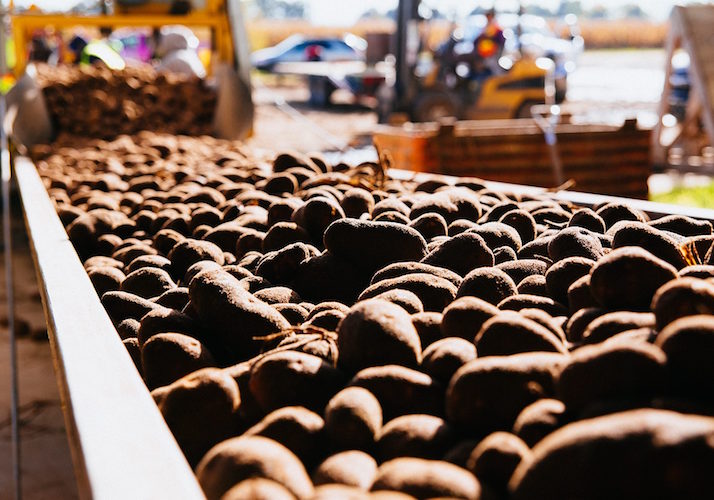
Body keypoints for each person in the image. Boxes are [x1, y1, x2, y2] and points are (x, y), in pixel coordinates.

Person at [473, 8, 505, 78]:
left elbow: (500, 40)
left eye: (489, 16)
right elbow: (477, 40)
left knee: (493, 65)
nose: (488, 18)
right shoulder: (486, 27)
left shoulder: (495, 28)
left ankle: (499, 79)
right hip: (484, 53)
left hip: (492, 53)